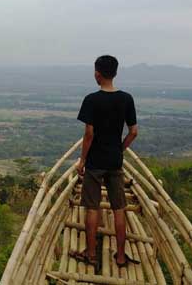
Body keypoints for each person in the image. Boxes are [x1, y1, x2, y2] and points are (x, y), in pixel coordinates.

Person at [69, 55, 140, 270]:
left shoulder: (92, 100)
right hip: (115, 162)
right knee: (119, 208)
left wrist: (82, 161)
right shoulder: (126, 99)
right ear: (115, 73)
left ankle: (91, 253)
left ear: (98, 73)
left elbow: (89, 134)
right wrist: (120, 149)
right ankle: (120, 256)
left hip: (95, 163)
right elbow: (133, 132)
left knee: (92, 207)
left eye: (94, 71)